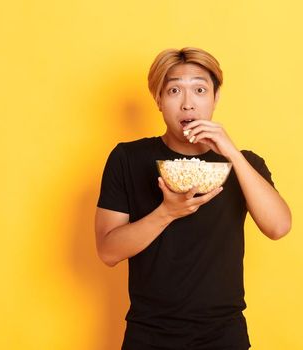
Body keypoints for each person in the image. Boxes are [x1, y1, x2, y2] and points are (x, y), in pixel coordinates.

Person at [95, 47, 292, 349]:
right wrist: (167, 212)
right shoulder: (128, 158)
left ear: (215, 98)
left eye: (200, 90)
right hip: (149, 334)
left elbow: (278, 227)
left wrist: (231, 153)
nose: (188, 104)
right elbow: (108, 251)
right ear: (158, 99)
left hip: (224, 335)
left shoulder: (245, 163)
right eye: (174, 90)